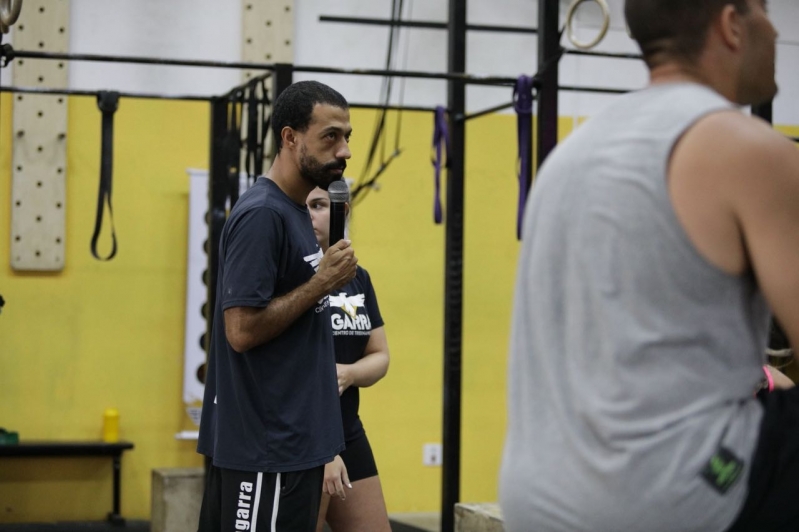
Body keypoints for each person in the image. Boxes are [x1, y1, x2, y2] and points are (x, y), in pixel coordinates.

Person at [500, 1, 799, 531]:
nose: (776, 30)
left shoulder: (572, 153)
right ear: (732, 25)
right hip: (674, 497)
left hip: (535, 501)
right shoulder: (753, 151)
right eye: (764, 11)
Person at [196, 80, 358, 532]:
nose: (344, 150)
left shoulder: (295, 211)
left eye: (347, 137)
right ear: (290, 138)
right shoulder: (263, 214)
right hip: (265, 449)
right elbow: (241, 332)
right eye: (331, 136)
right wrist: (321, 283)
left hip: (297, 445)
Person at [305, 186, 392, 532]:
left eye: (320, 205)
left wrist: (349, 374)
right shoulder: (294, 279)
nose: (311, 214)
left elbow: (380, 355)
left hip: (347, 431)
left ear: (343, 212)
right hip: (303, 437)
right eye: (305, 205)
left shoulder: (359, 279)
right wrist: (322, 450)